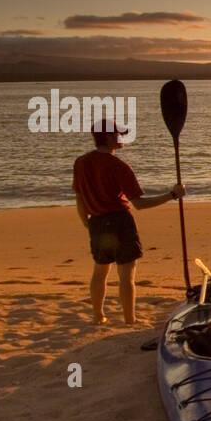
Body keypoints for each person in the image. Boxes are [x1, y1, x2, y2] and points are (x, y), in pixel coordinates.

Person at [72, 121, 184, 325]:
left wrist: (88, 225)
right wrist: (172, 195)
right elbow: (139, 204)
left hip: (96, 222)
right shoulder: (119, 166)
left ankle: (98, 316)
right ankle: (129, 319)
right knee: (126, 275)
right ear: (108, 138)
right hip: (120, 222)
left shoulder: (81, 162)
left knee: (100, 270)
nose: (121, 138)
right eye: (118, 134)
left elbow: (80, 199)